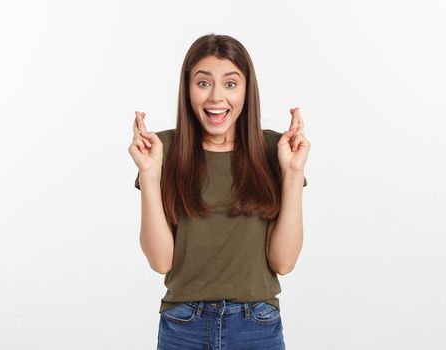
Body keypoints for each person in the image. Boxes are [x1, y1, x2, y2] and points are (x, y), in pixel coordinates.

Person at [128, 33, 311, 350]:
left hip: (257, 326)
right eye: (203, 83)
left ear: (246, 90)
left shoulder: (274, 149)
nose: (216, 97)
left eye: (230, 83)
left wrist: (293, 173)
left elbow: (283, 263)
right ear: (187, 90)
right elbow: (160, 262)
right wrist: (149, 173)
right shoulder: (164, 150)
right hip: (182, 326)